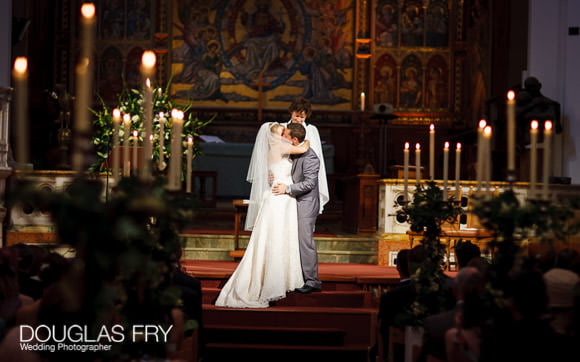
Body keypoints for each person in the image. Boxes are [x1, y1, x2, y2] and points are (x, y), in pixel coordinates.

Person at [215, 123, 311, 308]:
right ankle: (272, 282)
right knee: (275, 238)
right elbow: (304, 147)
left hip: (279, 196)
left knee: (274, 237)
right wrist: (308, 138)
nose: (286, 135)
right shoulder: (281, 146)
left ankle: (278, 277)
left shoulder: (272, 149)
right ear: (278, 135)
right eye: (283, 132)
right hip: (280, 198)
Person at [272, 123, 322, 294]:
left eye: (285, 134)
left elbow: (309, 183)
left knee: (304, 240)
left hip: (306, 202)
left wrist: (287, 189)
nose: (282, 136)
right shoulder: (292, 149)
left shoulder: (310, 157)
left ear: (293, 139)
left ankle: (312, 281)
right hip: (290, 201)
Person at [282, 97, 329, 214]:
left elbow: (316, 154)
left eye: (302, 117)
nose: (298, 119)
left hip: (305, 171)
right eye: (296, 116)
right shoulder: (282, 128)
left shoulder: (312, 130)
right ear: (291, 112)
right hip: (286, 170)